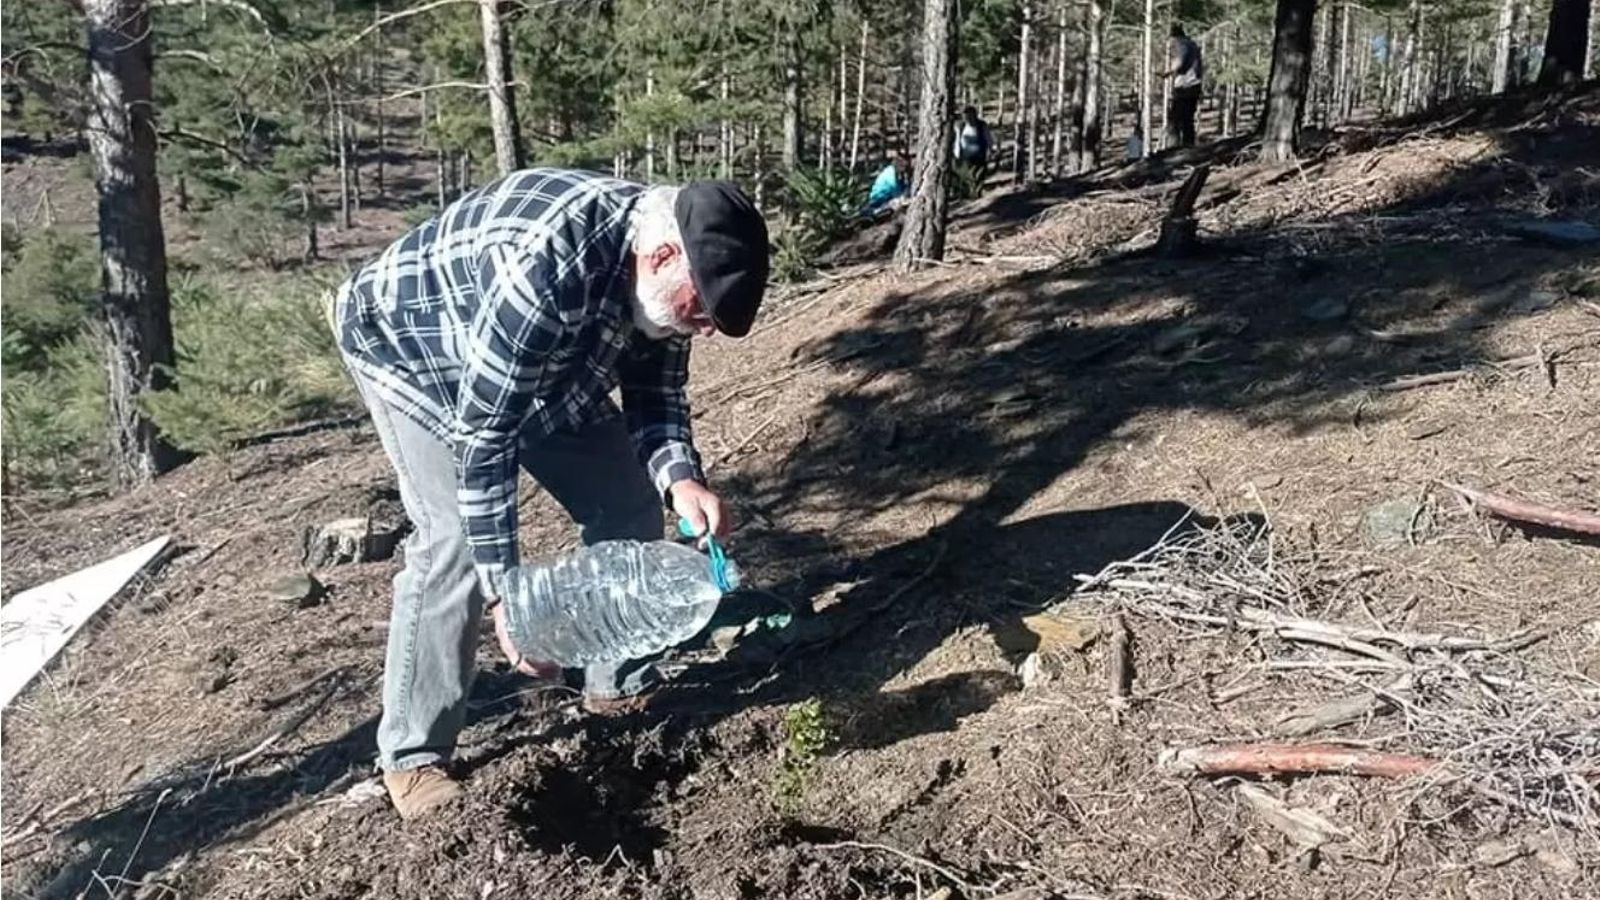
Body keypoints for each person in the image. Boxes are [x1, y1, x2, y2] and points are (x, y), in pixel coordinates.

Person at [329, 169, 769, 820]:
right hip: (414, 351)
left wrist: (681, 479)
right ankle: (414, 754)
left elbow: (656, 396)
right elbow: (485, 440)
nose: (702, 329)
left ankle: (613, 681)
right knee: (453, 542)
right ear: (661, 256)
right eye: (699, 312)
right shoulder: (545, 263)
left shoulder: (667, 276)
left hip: (543, 366)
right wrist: (507, 594)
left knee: (627, 499)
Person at [1162, 24, 1205, 149]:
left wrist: (1168, 72)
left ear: (1175, 37)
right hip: (1195, 85)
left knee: (1175, 119)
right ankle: (1188, 145)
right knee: (1188, 118)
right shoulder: (1192, 44)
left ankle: (1173, 148)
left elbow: (1180, 62)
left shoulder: (1183, 45)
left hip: (1185, 86)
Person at [862, 152, 910, 217]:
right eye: (903, 166)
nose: (904, 169)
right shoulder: (891, 175)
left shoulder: (892, 171)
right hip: (878, 198)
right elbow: (896, 191)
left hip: (885, 196)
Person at [952, 105, 992, 181]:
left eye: (969, 115)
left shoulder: (982, 125)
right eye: (965, 116)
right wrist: (957, 155)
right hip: (965, 159)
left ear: (974, 115)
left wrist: (989, 152)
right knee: (966, 180)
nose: (967, 118)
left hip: (979, 158)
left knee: (978, 179)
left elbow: (989, 139)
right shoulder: (961, 126)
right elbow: (957, 141)